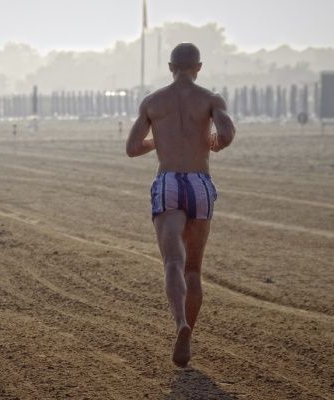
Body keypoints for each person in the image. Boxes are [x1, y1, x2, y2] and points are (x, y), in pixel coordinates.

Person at [125, 43, 236, 367]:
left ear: (171, 66)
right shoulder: (211, 99)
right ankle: (190, 329)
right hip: (200, 183)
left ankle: (180, 324)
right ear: (198, 67)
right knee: (194, 270)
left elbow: (132, 148)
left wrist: (158, 140)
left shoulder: (153, 102)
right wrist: (215, 142)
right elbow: (227, 132)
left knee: (173, 261)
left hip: (169, 182)